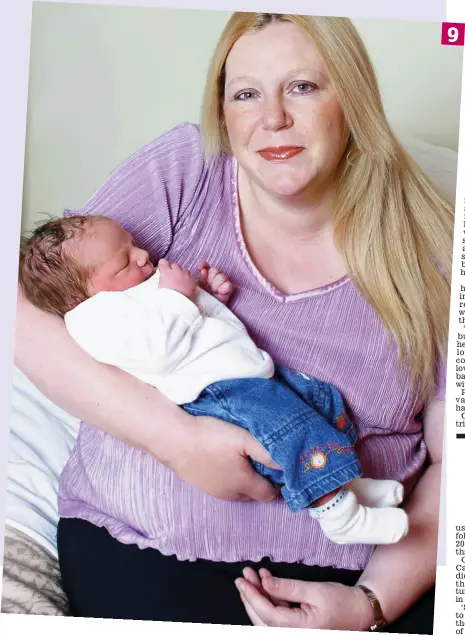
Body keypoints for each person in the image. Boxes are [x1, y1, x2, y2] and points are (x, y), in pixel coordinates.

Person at [14, 12, 452, 634]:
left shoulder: (431, 244)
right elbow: (27, 309)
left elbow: (453, 460)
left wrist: (371, 604)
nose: (272, 118)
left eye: (302, 86)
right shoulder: (185, 172)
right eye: (246, 93)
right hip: (145, 546)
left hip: (359, 575)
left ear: (352, 97)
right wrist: (181, 444)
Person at [18, 214, 409, 545]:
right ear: (77, 297)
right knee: (293, 431)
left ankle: (343, 482)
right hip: (218, 392)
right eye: (123, 262)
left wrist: (206, 294)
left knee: (321, 403)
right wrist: (179, 297)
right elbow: (157, 349)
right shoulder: (92, 318)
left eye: (133, 243)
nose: (142, 255)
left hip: (245, 373)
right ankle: (339, 518)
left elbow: (190, 322)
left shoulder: (129, 290)